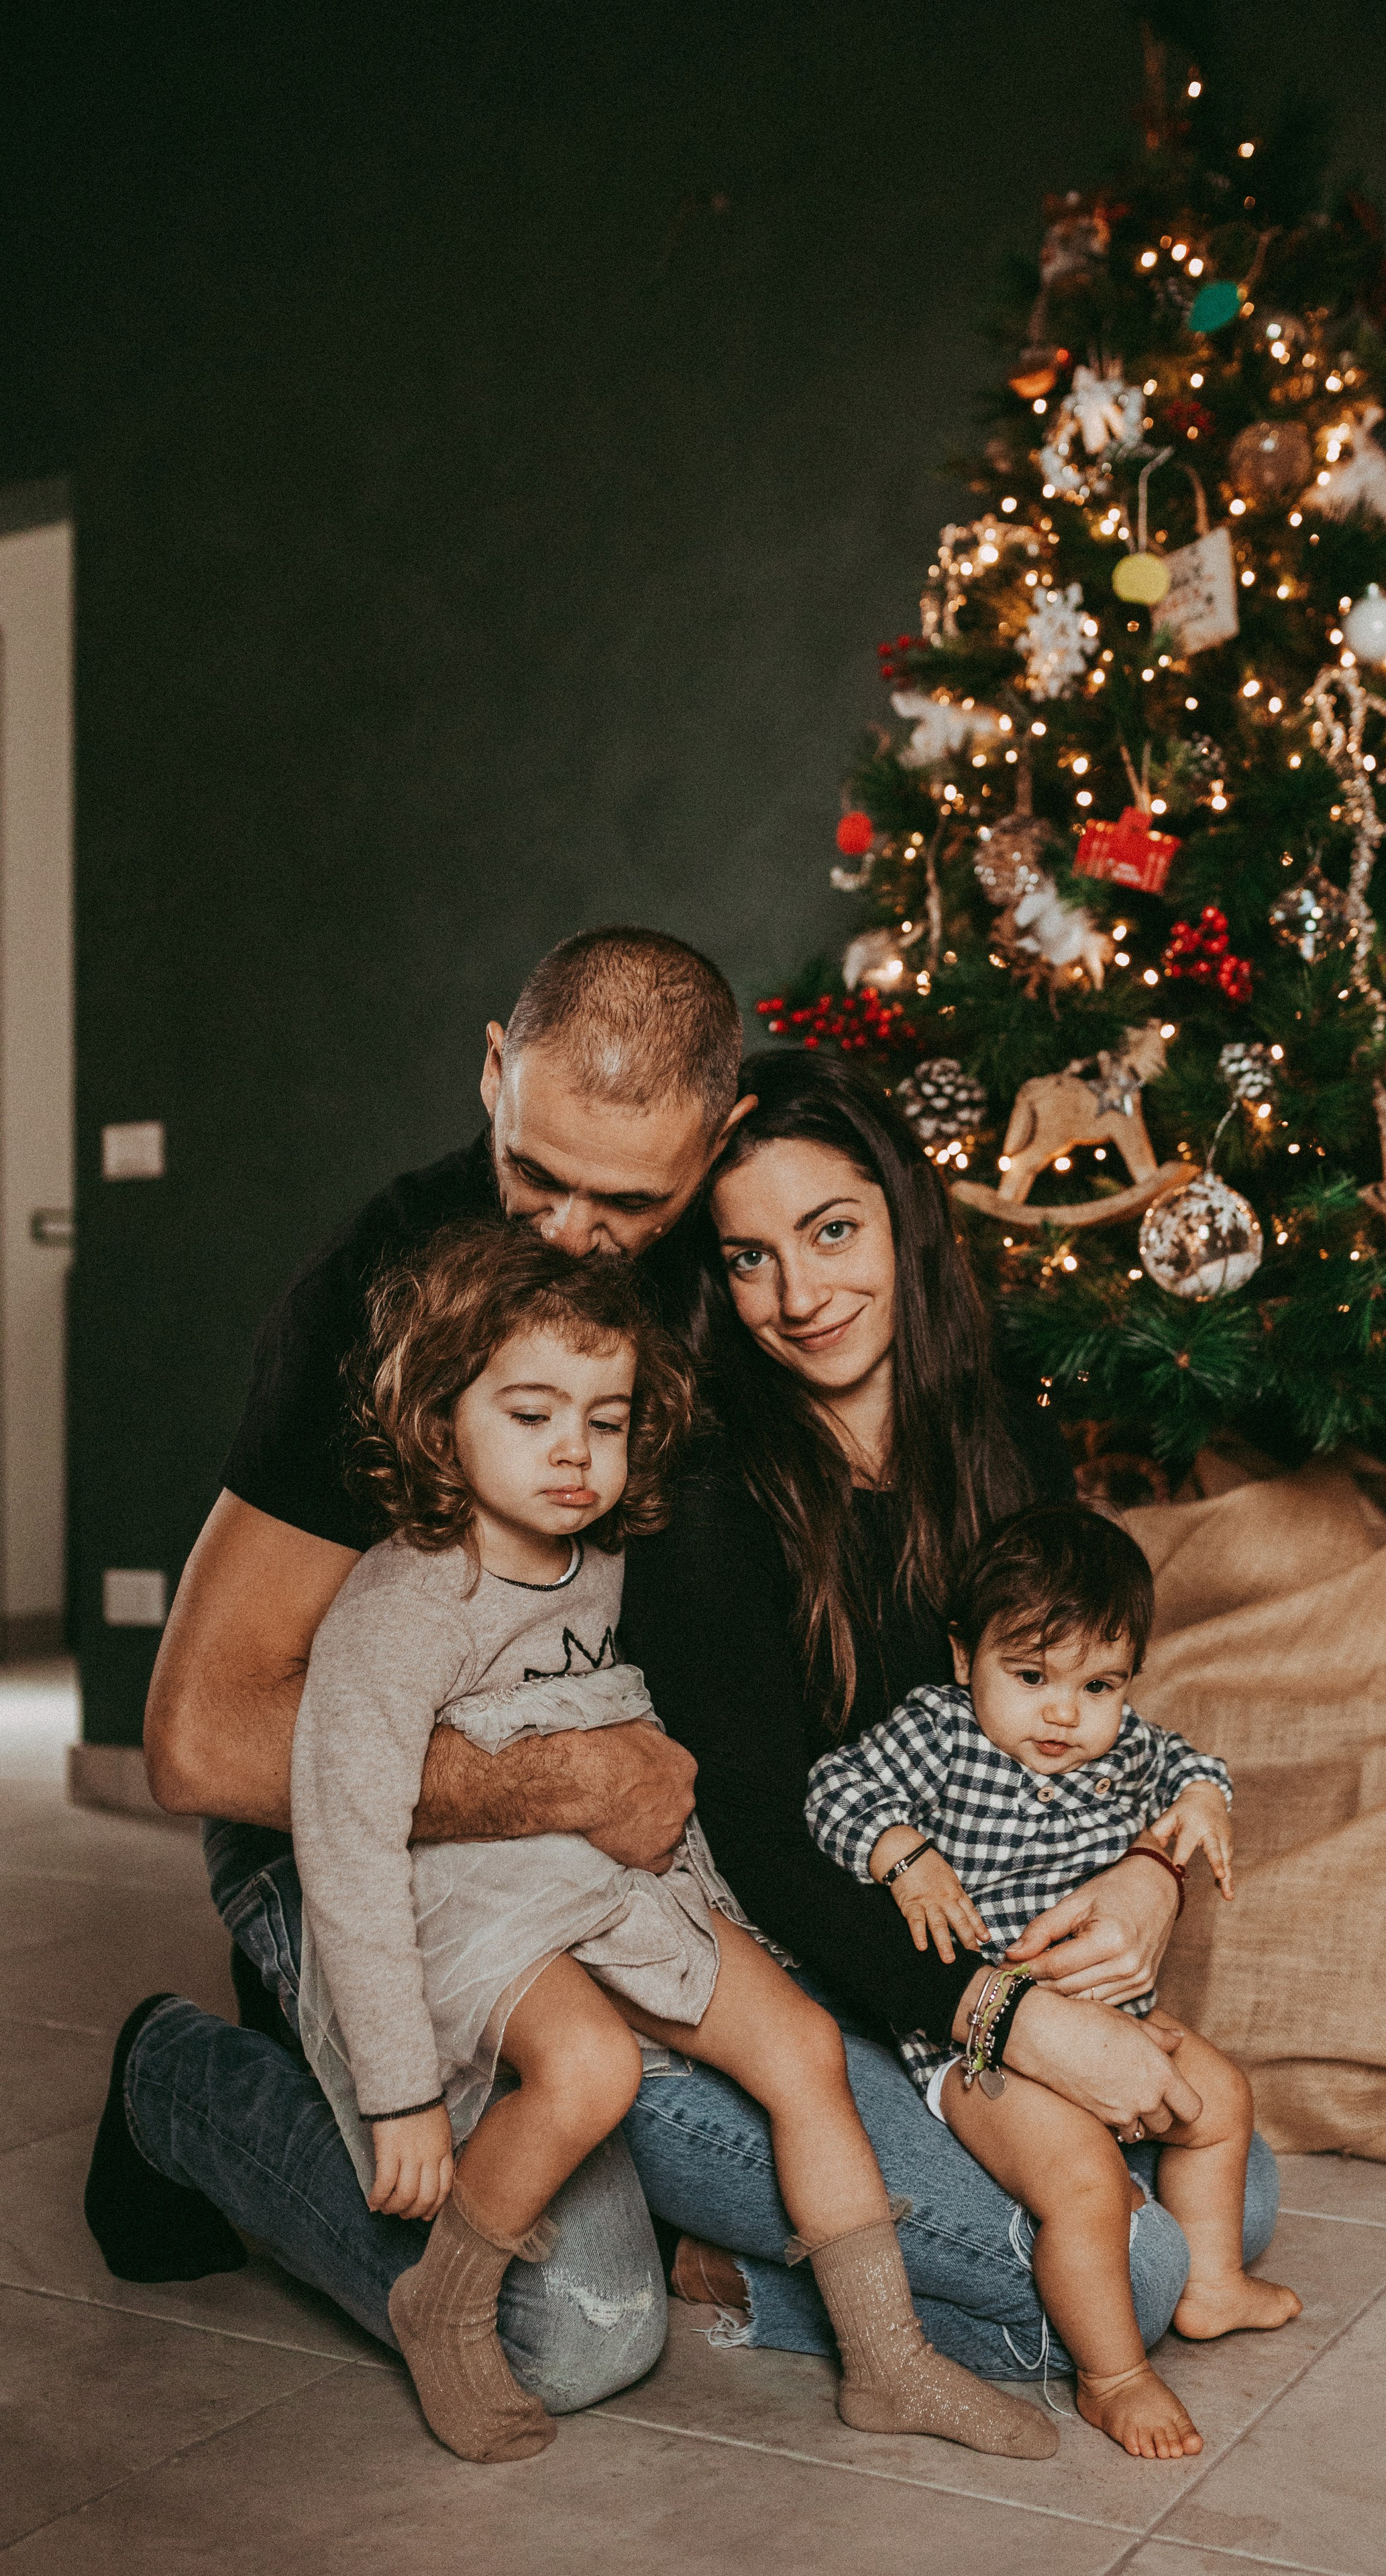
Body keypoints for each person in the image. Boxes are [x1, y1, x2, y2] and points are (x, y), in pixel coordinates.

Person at [87, 928, 750, 2409]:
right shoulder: (373, 1297)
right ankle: (177, 2087)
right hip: (354, 1846)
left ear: (717, 1148)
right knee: (570, 2336)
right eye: (536, 1174)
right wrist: (561, 1782)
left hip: (599, 1859)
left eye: (628, 1199)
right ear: (492, 1072)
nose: (572, 1230)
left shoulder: (746, 1271)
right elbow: (195, 1737)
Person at [292, 1218, 1055, 2465]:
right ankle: (442, 2295)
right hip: (477, 1899)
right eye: (532, 1416)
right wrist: (405, 2099)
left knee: (804, 2048)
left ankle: (887, 2357)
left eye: (605, 1420)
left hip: (620, 1877)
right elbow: (347, 1840)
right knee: (586, 2071)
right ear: (442, 1418)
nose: (574, 1456)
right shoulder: (403, 1602)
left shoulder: (604, 1559)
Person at [615, 1049, 1280, 2379]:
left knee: (1237, 2197)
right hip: (777, 1982)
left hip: (955, 1968)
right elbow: (756, 1837)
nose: (799, 1297)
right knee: (1135, 2274)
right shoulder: (703, 1495)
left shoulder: (998, 1434)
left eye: (831, 1231)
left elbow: (1070, 1700)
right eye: (748, 1259)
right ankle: (699, 2248)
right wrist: (1012, 2020)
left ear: (902, 1218)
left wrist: (1150, 1873)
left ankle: (791, 2251)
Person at [805, 1499, 1302, 2459]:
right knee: (1082, 2185)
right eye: (1030, 1677)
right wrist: (902, 1850)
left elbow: (1192, 1762)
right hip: (977, 2043)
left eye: (1101, 1685)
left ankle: (1209, 2288)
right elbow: (832, 1789)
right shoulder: (939, 1732)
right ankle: (1113, 2378)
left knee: (1226, 2103)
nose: (1065, 1714)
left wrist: (1202, 1805)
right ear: (965, 1658)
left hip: (1113, 2016)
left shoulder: (1123, 1750)